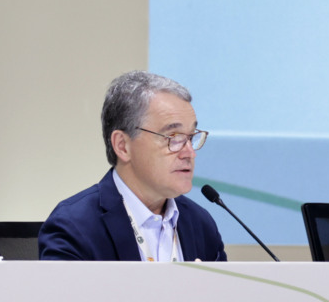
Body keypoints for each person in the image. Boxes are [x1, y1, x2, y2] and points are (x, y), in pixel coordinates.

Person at [39, 71, 226, 261]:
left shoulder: (200, 224)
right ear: (122, 146)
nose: (189, 153)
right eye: (174, 138)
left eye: (191, 137)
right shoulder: (74, 226)